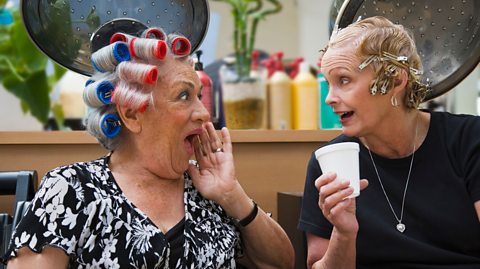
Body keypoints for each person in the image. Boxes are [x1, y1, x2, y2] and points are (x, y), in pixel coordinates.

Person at [2, 29, 294, 268]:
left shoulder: (211, 193)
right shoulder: (73, 189)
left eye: (199, 96)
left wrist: (232, 195)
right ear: (131, 114)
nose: (204, 113)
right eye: (183, 96)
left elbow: (281, 263)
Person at [298, 16, 480, 269]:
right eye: (329, 83)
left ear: (396, 81)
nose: (329, 98)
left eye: (344, 80)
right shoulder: (328, 160)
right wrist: (344, 232)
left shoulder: (469, 140)